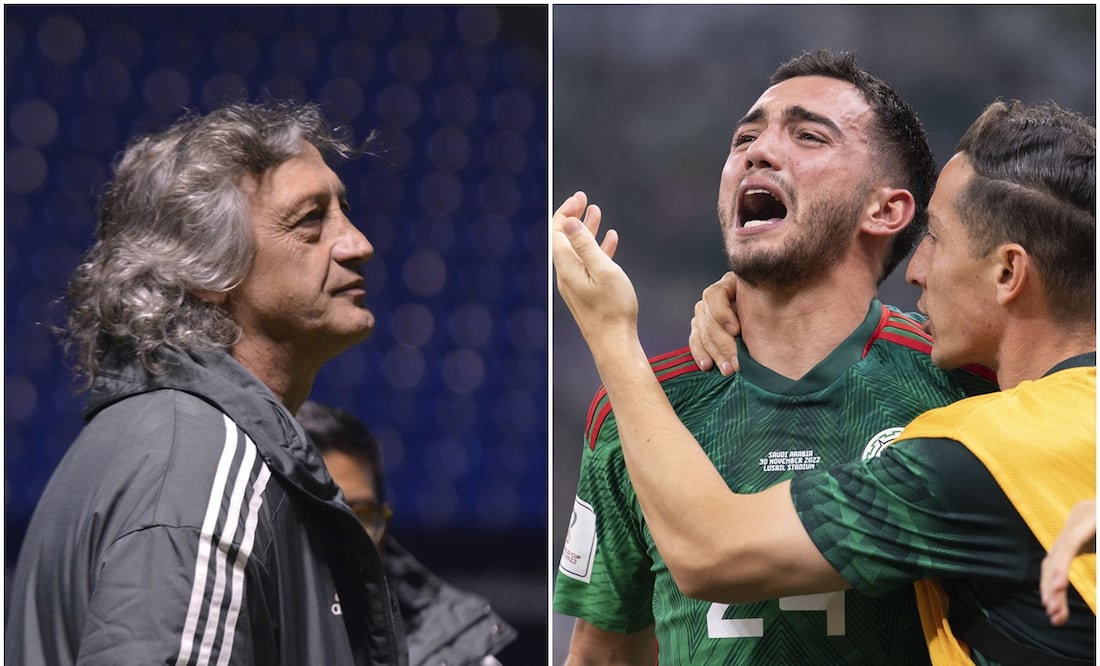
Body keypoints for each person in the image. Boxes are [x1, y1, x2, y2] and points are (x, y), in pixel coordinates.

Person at [553, 97, 1095, 665]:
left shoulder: (973, 442)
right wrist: (771, 294)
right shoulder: (655, 405)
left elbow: (709, 549)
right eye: (743, 139)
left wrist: (611, 335)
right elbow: (602, 652)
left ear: (1009, 271)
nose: (917, 269)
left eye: (936, 237)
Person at [6, 101, 408, 665]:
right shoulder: (198, 458)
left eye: (344, 210)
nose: (357, 243)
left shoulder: (152, 435)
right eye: (311, 220)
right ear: (205, 271)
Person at [296, 400, 518, 666]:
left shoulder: (464, 657)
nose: (348, 535)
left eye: (361, 514)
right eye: (323, 513)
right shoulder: (240, 636)